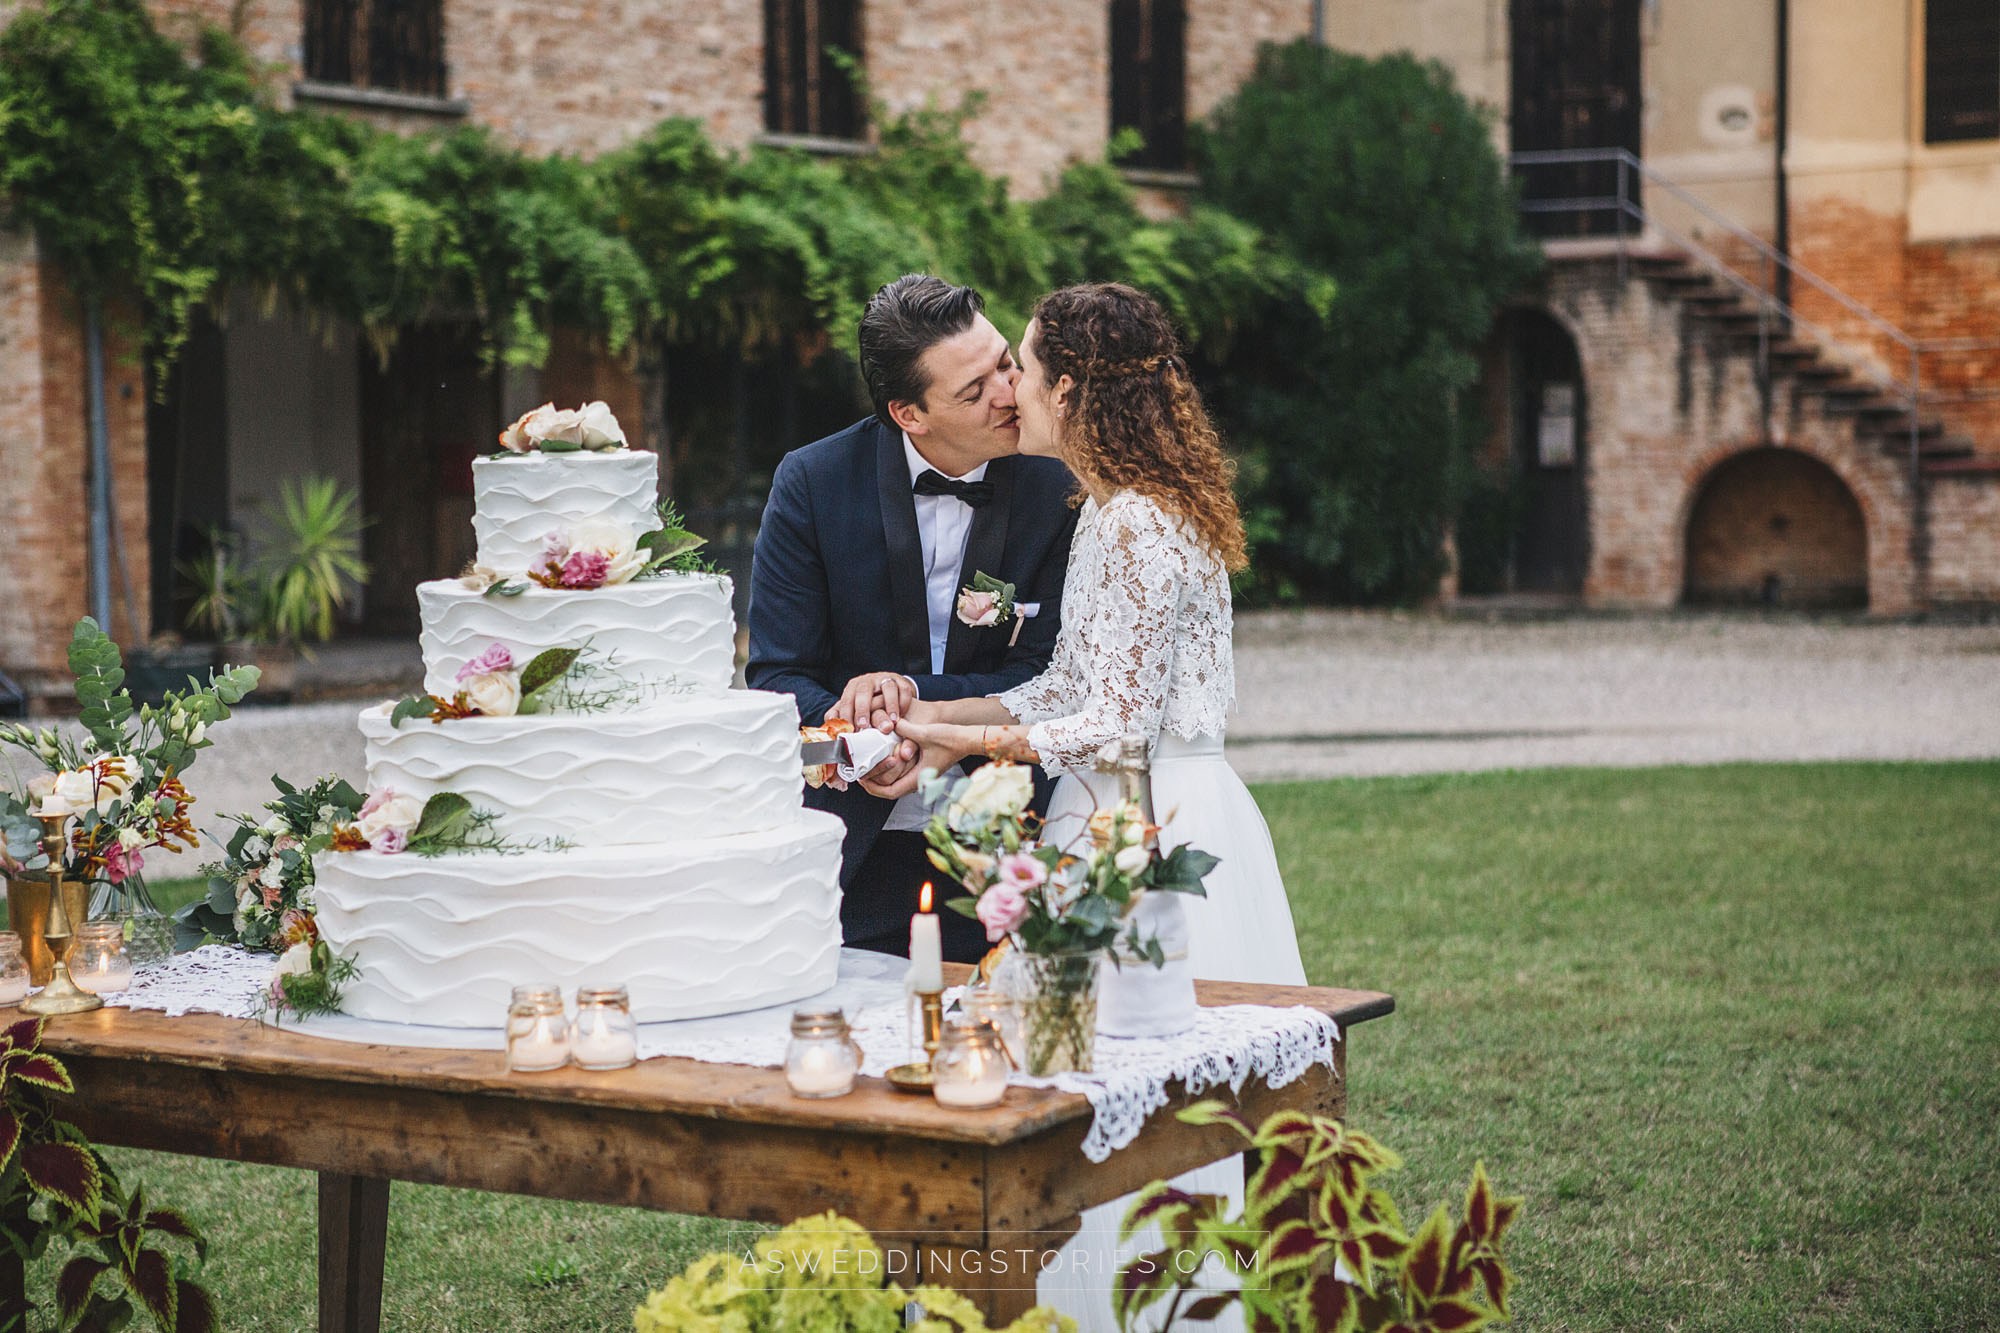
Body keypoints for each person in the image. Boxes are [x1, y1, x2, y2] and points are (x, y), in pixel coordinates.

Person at [868, 281, 1307, 1330]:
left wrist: (961, 740)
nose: (1007, 387)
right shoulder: (1112, 511)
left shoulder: (1139, 527)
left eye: (1018, 366)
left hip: (1159, 826)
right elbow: (1063, 688)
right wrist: (935, 722)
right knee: (1082, 1081)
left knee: (1153, 1091)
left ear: (1067, 387)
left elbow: (1116, 725)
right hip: (1102, 811)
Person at [746, 274, 1078, 964]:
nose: (1009, 393)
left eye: (1006, 365)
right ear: (910, 415)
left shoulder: (1062, 486)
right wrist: (853, 732)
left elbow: (1048, 672)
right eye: (973, 389)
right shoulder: (812, 483)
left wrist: (913, 701)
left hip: (1012, 843)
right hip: (849, 851)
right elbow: (776, 680)